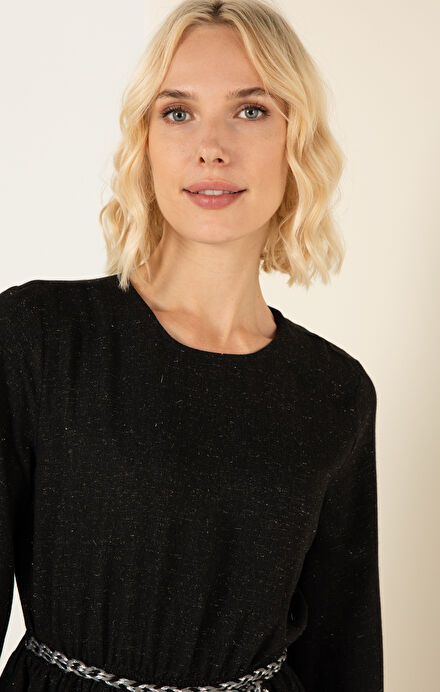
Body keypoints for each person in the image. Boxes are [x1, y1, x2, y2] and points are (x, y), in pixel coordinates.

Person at [0, 1, 384, 691]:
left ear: (296, 140)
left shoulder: (334, 391)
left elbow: (343, 651)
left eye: (250, 110)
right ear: (145, 142)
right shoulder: (41, 336)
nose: (211, 146)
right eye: (177, 112)